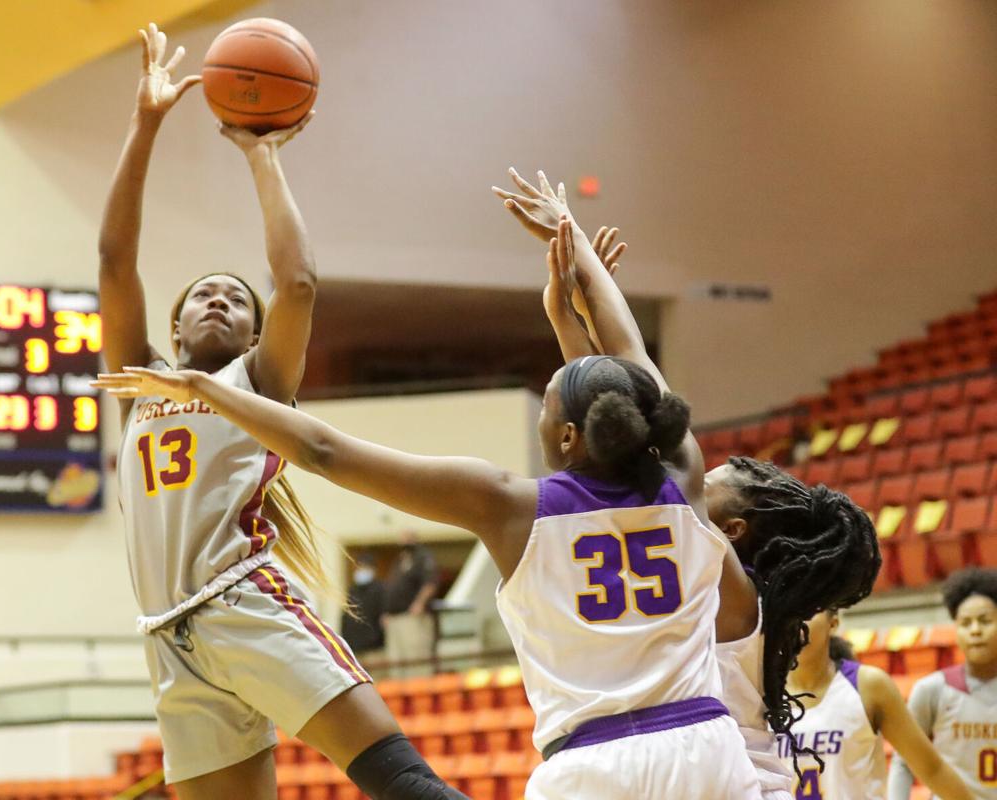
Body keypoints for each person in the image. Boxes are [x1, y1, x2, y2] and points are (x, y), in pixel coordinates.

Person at [93, 219, 764, 797]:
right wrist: (578, 281)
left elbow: (323, 451)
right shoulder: (681, 485)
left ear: (563, 437)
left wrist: (205, 391)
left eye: (550, 396)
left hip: (594, 763)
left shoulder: (511, 505)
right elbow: (632, 363)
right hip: (705, 743)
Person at [97, 24, 465, 800]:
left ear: (256, 336)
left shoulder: (256, 382)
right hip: (170, 637)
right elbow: (112, 260)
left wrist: (260, 153)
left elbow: (296, 281)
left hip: (246, 602)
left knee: (402, 784)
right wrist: (147, 123)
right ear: (173, 326)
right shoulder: (140, 380)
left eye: (236, 298)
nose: (219, 298)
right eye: (204, 291)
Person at [493, 168, 885, 799]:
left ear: (731, 530)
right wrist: (576, 317)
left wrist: (581, 261)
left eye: (716, 482)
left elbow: (634, 387)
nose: (693, 477)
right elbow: (615, 424)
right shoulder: (724, 585)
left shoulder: (705, 558)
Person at [783, 610, 972, 799]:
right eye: (788, 611)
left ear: (833, 622)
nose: (798, 624)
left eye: (808, 612)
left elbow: (933, 770)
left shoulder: (868, 685)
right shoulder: (762, 692)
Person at [889, 567, 997, 799]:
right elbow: (904, 762)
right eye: (966, 623)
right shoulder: (933, 690)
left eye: (985, 621)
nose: (975, 630)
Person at [382, 532, 439, 675]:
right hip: (395, 618)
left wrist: (419, 603)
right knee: (397, 663)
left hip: (412, 617)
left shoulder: (423, 557)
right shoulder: (400, 560)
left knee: (416, 661)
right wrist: (387, 612)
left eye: (407, 537)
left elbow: (430, 583)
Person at [341, 553, 386, 665]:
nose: (361, 570)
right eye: (359, 567)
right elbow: (345, 617)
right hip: (354, 649)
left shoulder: (380, 590)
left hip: (374, 649)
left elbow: (384, 618)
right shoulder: (352, 590)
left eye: (365, 567)